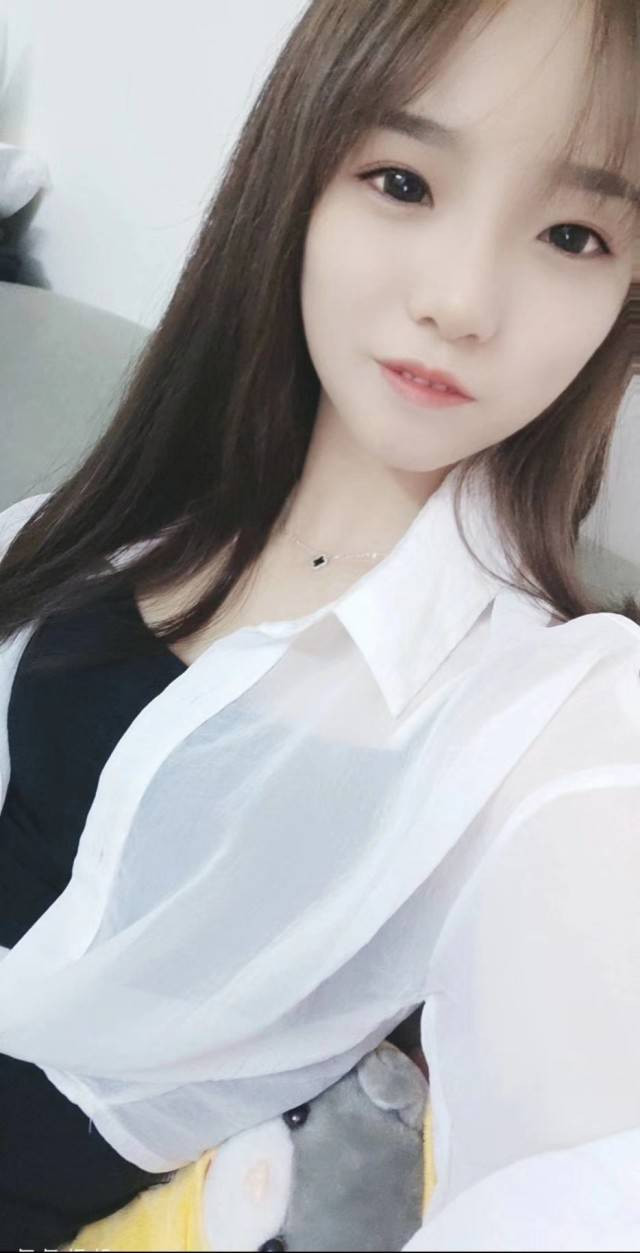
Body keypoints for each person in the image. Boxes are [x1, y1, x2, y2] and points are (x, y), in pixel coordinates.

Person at [0, 0, 638, 1247]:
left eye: (573, 234)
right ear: (295, 179)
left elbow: (586, 1165)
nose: (460, 299)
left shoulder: (550, 716)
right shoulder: (98, 525)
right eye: (403, 181)